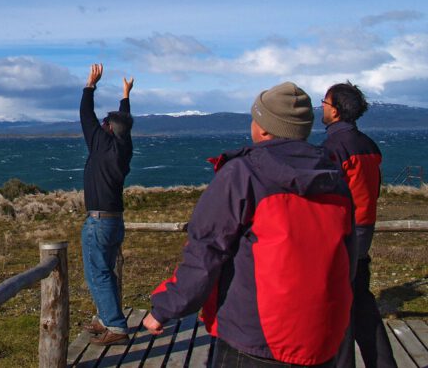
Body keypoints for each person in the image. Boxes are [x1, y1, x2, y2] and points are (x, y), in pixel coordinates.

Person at [143, 81, 356, 366]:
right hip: (323, 335)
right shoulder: (334, 178)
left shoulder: (243, 173)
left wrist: (164, 307)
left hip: (256, 336)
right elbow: (347, 256)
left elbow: (206, 251)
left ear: (264, 128)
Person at [322, 82, 397, 368]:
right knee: (363, 305)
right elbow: (374, 188)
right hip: (364, 231)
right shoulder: (368, 145)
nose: (323, 108)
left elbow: (328, 194)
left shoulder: (333, 147)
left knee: (339, 309)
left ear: (337, 111)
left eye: (325, 103)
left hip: (343, 234)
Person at [80, 63, 135, 346]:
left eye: (105, 124)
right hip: (116, 220)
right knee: (105, 270)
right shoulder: (123, 148)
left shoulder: (101, 143)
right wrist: (125, 95)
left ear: (108, 129)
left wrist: (91, 85)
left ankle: (115, 325)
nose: (101, 125)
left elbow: (86, 116)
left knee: (98, 272)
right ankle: (106, 317)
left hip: (99, 221)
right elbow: (123, 120)